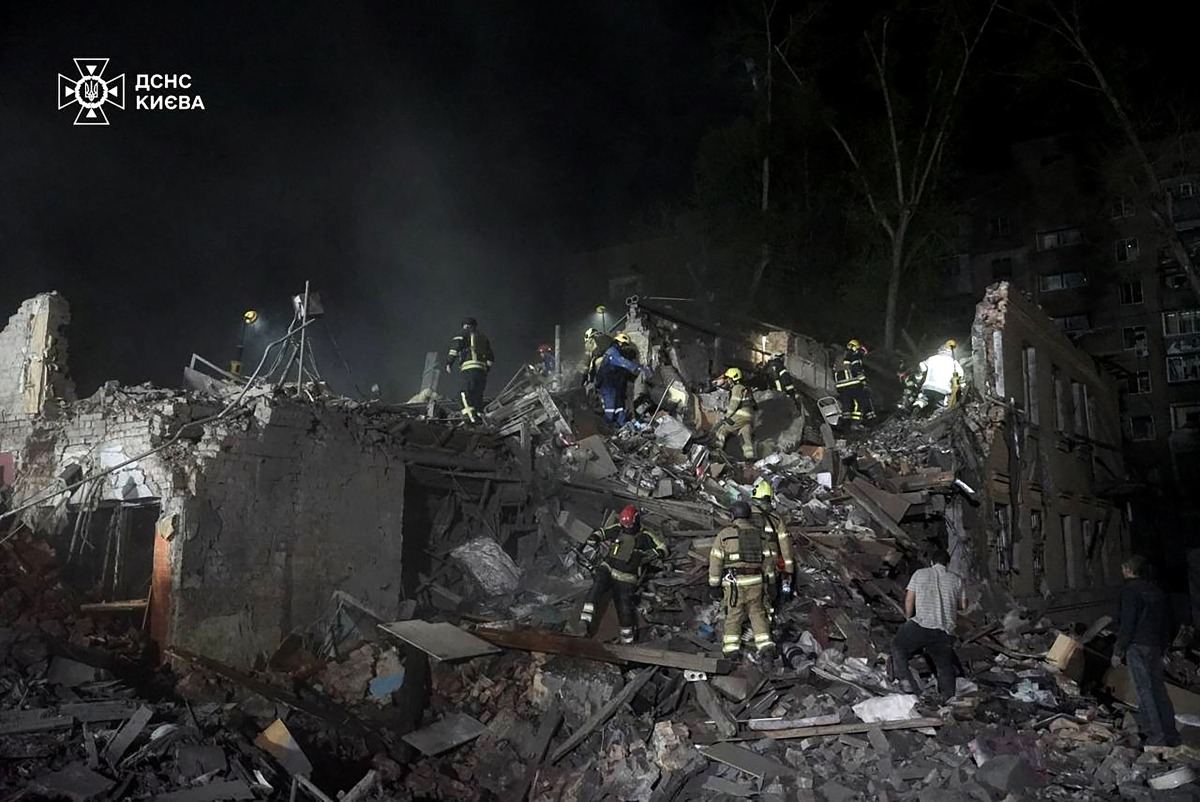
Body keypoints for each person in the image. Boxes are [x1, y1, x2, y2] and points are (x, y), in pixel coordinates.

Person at [1113, 555, 1180, 748]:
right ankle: (1171, 735)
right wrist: (1164, 646)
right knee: (1159, 691)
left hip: (1137, 646)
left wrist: (1119, 650)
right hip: (1155, 646)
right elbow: (1166, 620)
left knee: (1144, 692)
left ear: (1128, 569)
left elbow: (1128, 622)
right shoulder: (1156, 590)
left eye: (1123, 568)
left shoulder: (1130, 591)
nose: (1122, 571)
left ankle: (1155, 738)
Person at [579, 505, 668, 644]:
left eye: (629, 525)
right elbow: (601, 533)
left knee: (624, 609)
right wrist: (593, 539)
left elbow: (663, 548)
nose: (626, 528)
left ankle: (627, 641)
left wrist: (656, 553)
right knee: (596, 589)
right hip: (607, 569)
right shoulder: (617, 529)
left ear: (636, 521)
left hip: (626, 578)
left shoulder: (645, 536)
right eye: (624, 525)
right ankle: (584, 621)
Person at [891, 547, 966, 700]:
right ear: (948, 563)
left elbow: (909, 599)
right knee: (944, 666)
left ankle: (906, 680)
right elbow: (963, 606)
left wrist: (908, 618)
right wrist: (951, 601)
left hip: (921, 625)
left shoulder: (920, 574)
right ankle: (949, 699)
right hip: (944, 630)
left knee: (898, 645)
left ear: (932, 562)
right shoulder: (956, 579)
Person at [709, 501, 778, 660]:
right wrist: (772, 583)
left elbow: (716, 561)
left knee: (734, 616)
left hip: (734, 584)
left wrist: (714, 585)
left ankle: (732, 650)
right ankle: (766, 645)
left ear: (733, 515)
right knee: (758, 614)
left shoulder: (725, 535)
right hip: (756, 582)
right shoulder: (761, 536)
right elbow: (769, 563)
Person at [594, 332, 651, 425]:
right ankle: (605, 429)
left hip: (614, 385)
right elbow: (622, 362)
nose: (625, 347)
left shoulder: (615, 352)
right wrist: (638, 368)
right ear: (620, 343)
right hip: (609, 386)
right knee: (610, 409)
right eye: (624, 345)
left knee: (619, 407)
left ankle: (623, 425)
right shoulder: (612, 352)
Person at [752, 480, 794, 605]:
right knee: (768, 593)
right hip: (769, 561)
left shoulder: (744, 515)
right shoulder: (776, 519)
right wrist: (789, 570)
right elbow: (785, 547)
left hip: (747, 559)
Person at [446, 317, 494, 424]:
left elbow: (455, 349)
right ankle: (479, 416)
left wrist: (449, 363)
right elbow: (490, 357)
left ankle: (471, 418)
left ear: (466, 326)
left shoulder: (463, 334)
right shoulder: (483, 337)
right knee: (477, 396)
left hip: (469, 369)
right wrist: (486, 369)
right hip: (481, 371)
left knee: (462, 394)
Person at [714, 367, 758, 460]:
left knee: (722, 429)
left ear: (733, 378)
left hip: (741, 416)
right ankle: (750, 458)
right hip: (750, 417)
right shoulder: (746, 389)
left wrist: (726, 417)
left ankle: (716, 453)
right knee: (745, 436)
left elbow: (734, 404)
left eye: (728, 379)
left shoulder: (737, 388)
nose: (727, 381)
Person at [912, 340, 965, 413]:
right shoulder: (954, 363)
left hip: (928, 387)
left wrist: (918, 377)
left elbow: (922, 366)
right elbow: (960, 376)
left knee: (923, 399)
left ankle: (917, 408)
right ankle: (936, 416)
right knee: (940, 406)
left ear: (940, 350)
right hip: (943, 390)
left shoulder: (932, 358)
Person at [835, 339, 875, 426]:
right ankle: (856, 423)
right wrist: (863, 381)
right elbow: (857, 369)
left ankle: (846, 425)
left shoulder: (841, 357)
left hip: (841, 386)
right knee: (860, 402)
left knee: (847, 405)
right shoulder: (855, 355)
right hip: (852, 383)